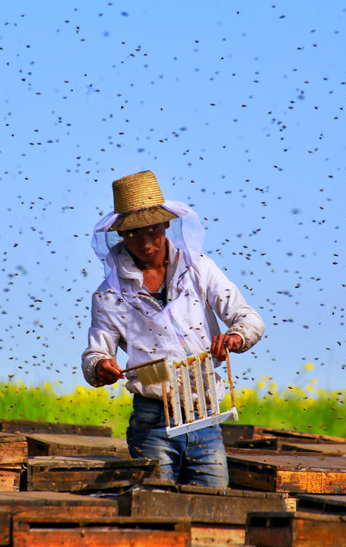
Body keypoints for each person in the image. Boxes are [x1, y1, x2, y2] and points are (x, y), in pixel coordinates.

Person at [81, 170, 264, 489]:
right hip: (152, 421)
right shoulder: (109, 293)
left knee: (214, 509)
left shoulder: (199, 269)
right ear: (122, 236)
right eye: (135, 234)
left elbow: (248, 319)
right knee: (157, 510)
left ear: (166, 225)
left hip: (205, 414)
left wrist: (234, 337)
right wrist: (100, 367)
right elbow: (97, 353)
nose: (146, 242)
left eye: (152, 230)